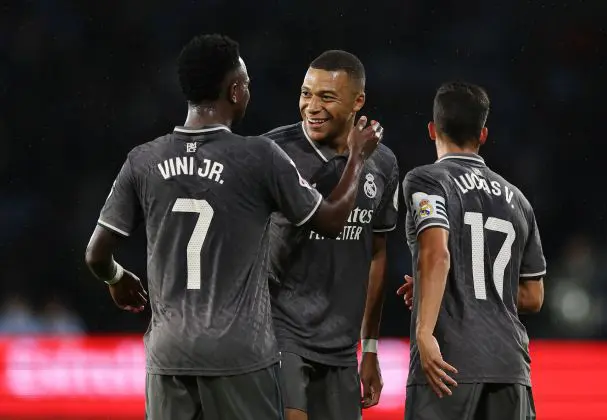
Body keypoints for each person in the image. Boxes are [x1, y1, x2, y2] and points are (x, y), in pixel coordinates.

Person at [84, 34, 384, 420]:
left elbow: (95, 254)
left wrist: (116, 277)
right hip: (240, 354)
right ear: (236, 91)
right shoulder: (258, 157)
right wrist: (357, 158)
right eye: (247, 84)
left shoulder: (143, 160)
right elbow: (330, 220)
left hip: (168, 353)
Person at [264, 50, 399, 420]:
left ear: (358, 102)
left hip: (341, 346)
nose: (311, 106)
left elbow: (377, 253)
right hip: (280, 332)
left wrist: (368, 346)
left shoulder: (383, 163)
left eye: (326, 97)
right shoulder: (273, 151)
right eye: (306, 93)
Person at [401, 81, 545, 420]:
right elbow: (533, 295)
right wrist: (444, 286)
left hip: (448, 365)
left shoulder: (427, 181)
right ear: (483, 135)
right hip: (510, 368)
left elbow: (435, 254)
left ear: (432, 130)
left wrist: (424, 330)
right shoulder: (518, 200)